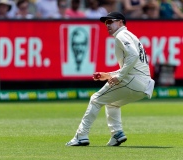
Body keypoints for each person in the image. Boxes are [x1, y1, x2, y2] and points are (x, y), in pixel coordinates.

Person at [66, 11, 155, 146]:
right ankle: (117, 134)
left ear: (120, 22)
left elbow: (133, 55)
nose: (107, 25)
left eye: (110, 21)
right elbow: (133, 63)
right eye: (106, 23)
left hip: (133, 81)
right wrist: (109, 75)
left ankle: (81, 136)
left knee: (95, 99)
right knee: (112, 103)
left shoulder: (121, 35)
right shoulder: (130, 35)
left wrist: (119, 76)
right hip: (144, 84)